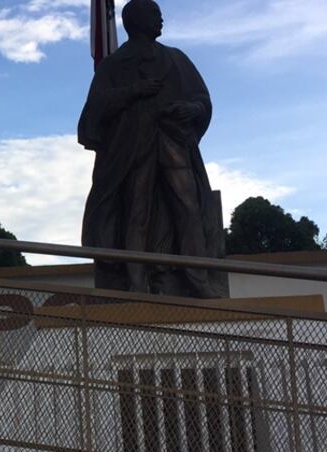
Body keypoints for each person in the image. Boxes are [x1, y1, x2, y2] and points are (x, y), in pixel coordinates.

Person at [78, 0, 228, 298]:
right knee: (136, 213)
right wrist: (134, 92)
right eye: (155, 15)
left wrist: (192, 108)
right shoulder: (114, 65)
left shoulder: (175, 58)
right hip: (132, 150)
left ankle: (196, 277)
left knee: (189, 207)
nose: (161, 20)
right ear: (137, 21)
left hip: (172, 143)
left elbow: (202, 99)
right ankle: (136, 282)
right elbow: (95, 109)